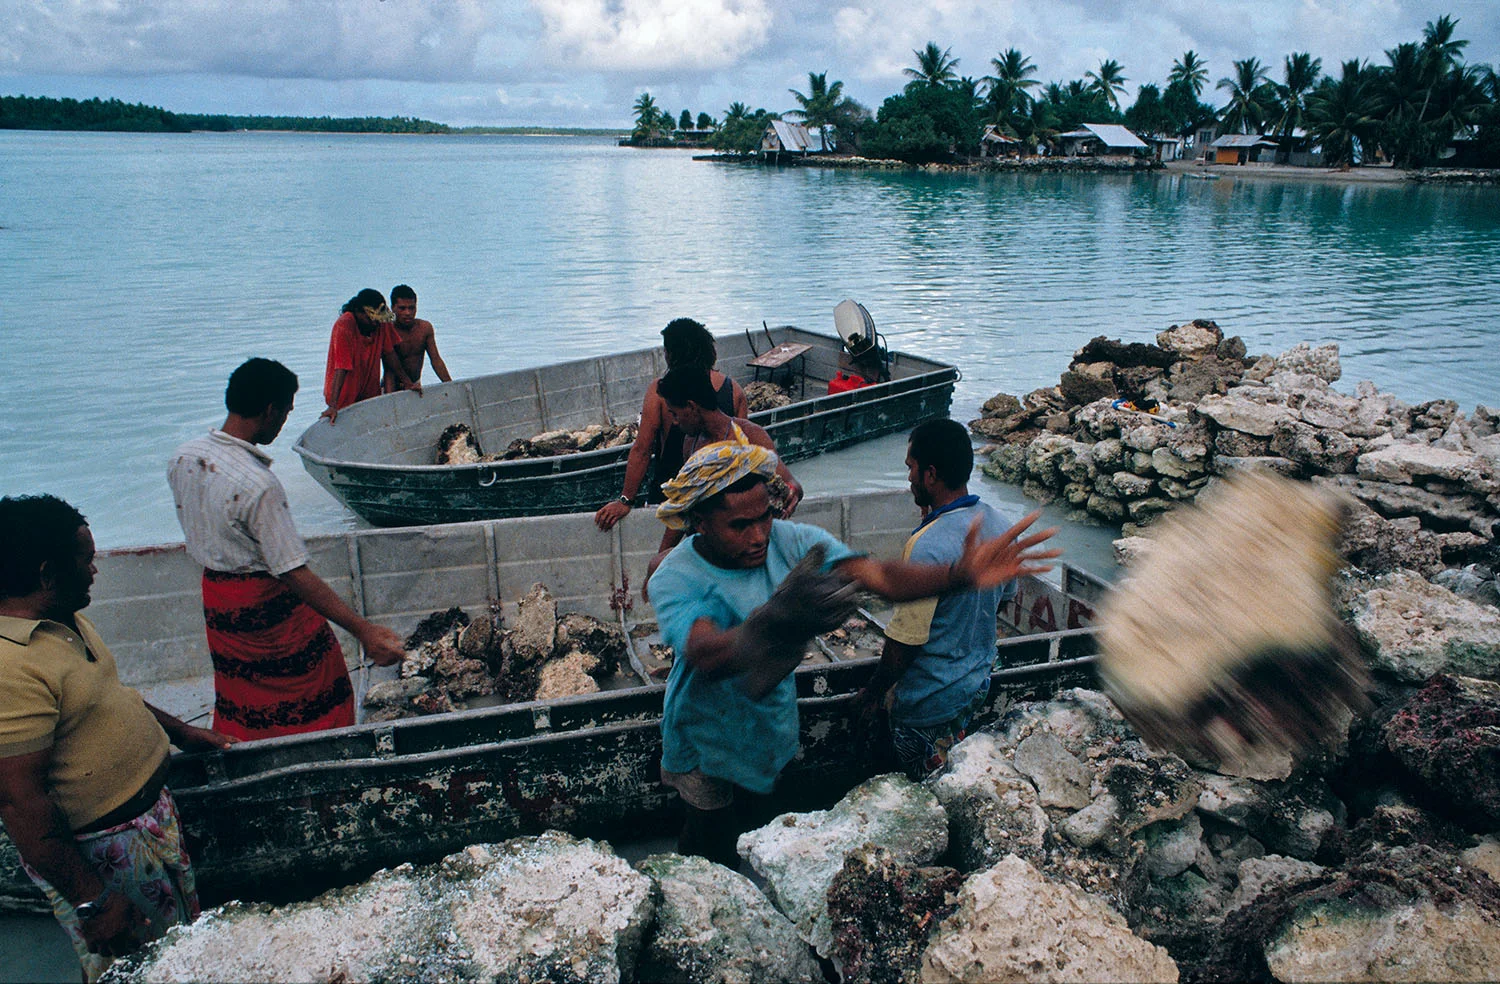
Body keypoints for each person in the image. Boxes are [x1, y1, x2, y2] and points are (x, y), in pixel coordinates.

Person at [646, 440, 1059, 866]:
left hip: (767, 728)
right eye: (739, 526)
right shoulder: (675, 573)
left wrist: (957, 575)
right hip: (702, 736)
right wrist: (774, 623)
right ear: (699, 522)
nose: (758, 536)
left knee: (761, 832)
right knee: (708, 840)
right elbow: (705, 653)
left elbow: (879, 576)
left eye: (765, 517)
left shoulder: (789, 542)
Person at [0, 494, 232, 982]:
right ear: (47, 574)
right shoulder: (10, 667)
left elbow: (107, 695)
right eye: (86, 560)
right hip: (105, 853)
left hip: (152, 823)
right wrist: (95, 901)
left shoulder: (65, 618)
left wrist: (180, 730)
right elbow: (21, 801)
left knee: (180, 954)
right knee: (138, 966)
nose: (95, 570)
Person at [168, 358, 406, 741]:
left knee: (242, 688)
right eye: (285, 413)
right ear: (270, 411)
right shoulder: (258, 484)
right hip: (265, 607)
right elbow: (293, 572)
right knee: (319, 688)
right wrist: (365, 631)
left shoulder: (183, 458)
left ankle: (248, 749)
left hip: (218, 599)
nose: (282, 424)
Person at [854, 418, 1024, 780]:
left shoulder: (927, 546)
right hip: (974, 686)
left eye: (911, 469)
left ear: (930, 474)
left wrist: (873, 691)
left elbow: (905, 643)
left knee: (920, 785)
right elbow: (1002, 602)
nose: (909, 478)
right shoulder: (998, 524)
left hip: (927, 703)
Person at [594, 318, 749, 532]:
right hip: (718, 505)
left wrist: (625, 500)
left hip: (668, 499)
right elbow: (743, 454)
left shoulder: (660, 391)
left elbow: (642, 449)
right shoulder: (735, 391)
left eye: (666, 350)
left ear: (672, 353)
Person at [321, 288, 421, 424]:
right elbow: (342, 366)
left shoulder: (381, 323)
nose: (376, 324)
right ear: (359, 312)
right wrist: (332, 406)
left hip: (369, 390)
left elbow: (389, 355)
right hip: (343, 393)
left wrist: (408, 382)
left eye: (378, 320)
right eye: (371, 319)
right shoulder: (344, 325)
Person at [382, 284, 452, 394]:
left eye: (411, 308)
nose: (408, 313)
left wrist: (450, 385)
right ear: (393, 308)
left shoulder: (424, 328)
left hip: (415, 384)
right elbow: (390, 368)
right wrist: (389, 395)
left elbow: (436, 360)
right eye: (402, 308)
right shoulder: (387, 330)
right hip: (392, 385)